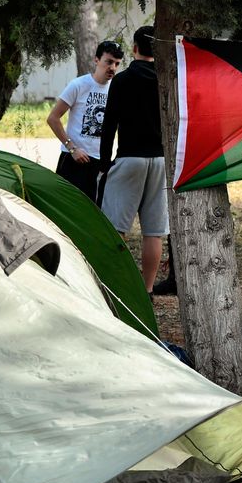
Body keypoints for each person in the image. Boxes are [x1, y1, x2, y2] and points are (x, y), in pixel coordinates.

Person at [99, 26, 169, 295]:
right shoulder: (166, 79)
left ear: (134, 48)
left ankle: (116, 286)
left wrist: (104, 163)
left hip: (129, 158)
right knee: (153, 232)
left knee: (116, 227)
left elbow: (109, 124)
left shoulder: (122, 80)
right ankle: (147, 290)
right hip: (160, 160)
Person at [47, 40, 123, 202]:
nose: (113, 68)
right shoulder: (78, 85)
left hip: (100, 163)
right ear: (96, 60)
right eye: (109, 62)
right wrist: (72, 148)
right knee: (66, 207)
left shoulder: (116, 89)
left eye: (117, 64)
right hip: (73, 159)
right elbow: (53, 118)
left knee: (95, 209)